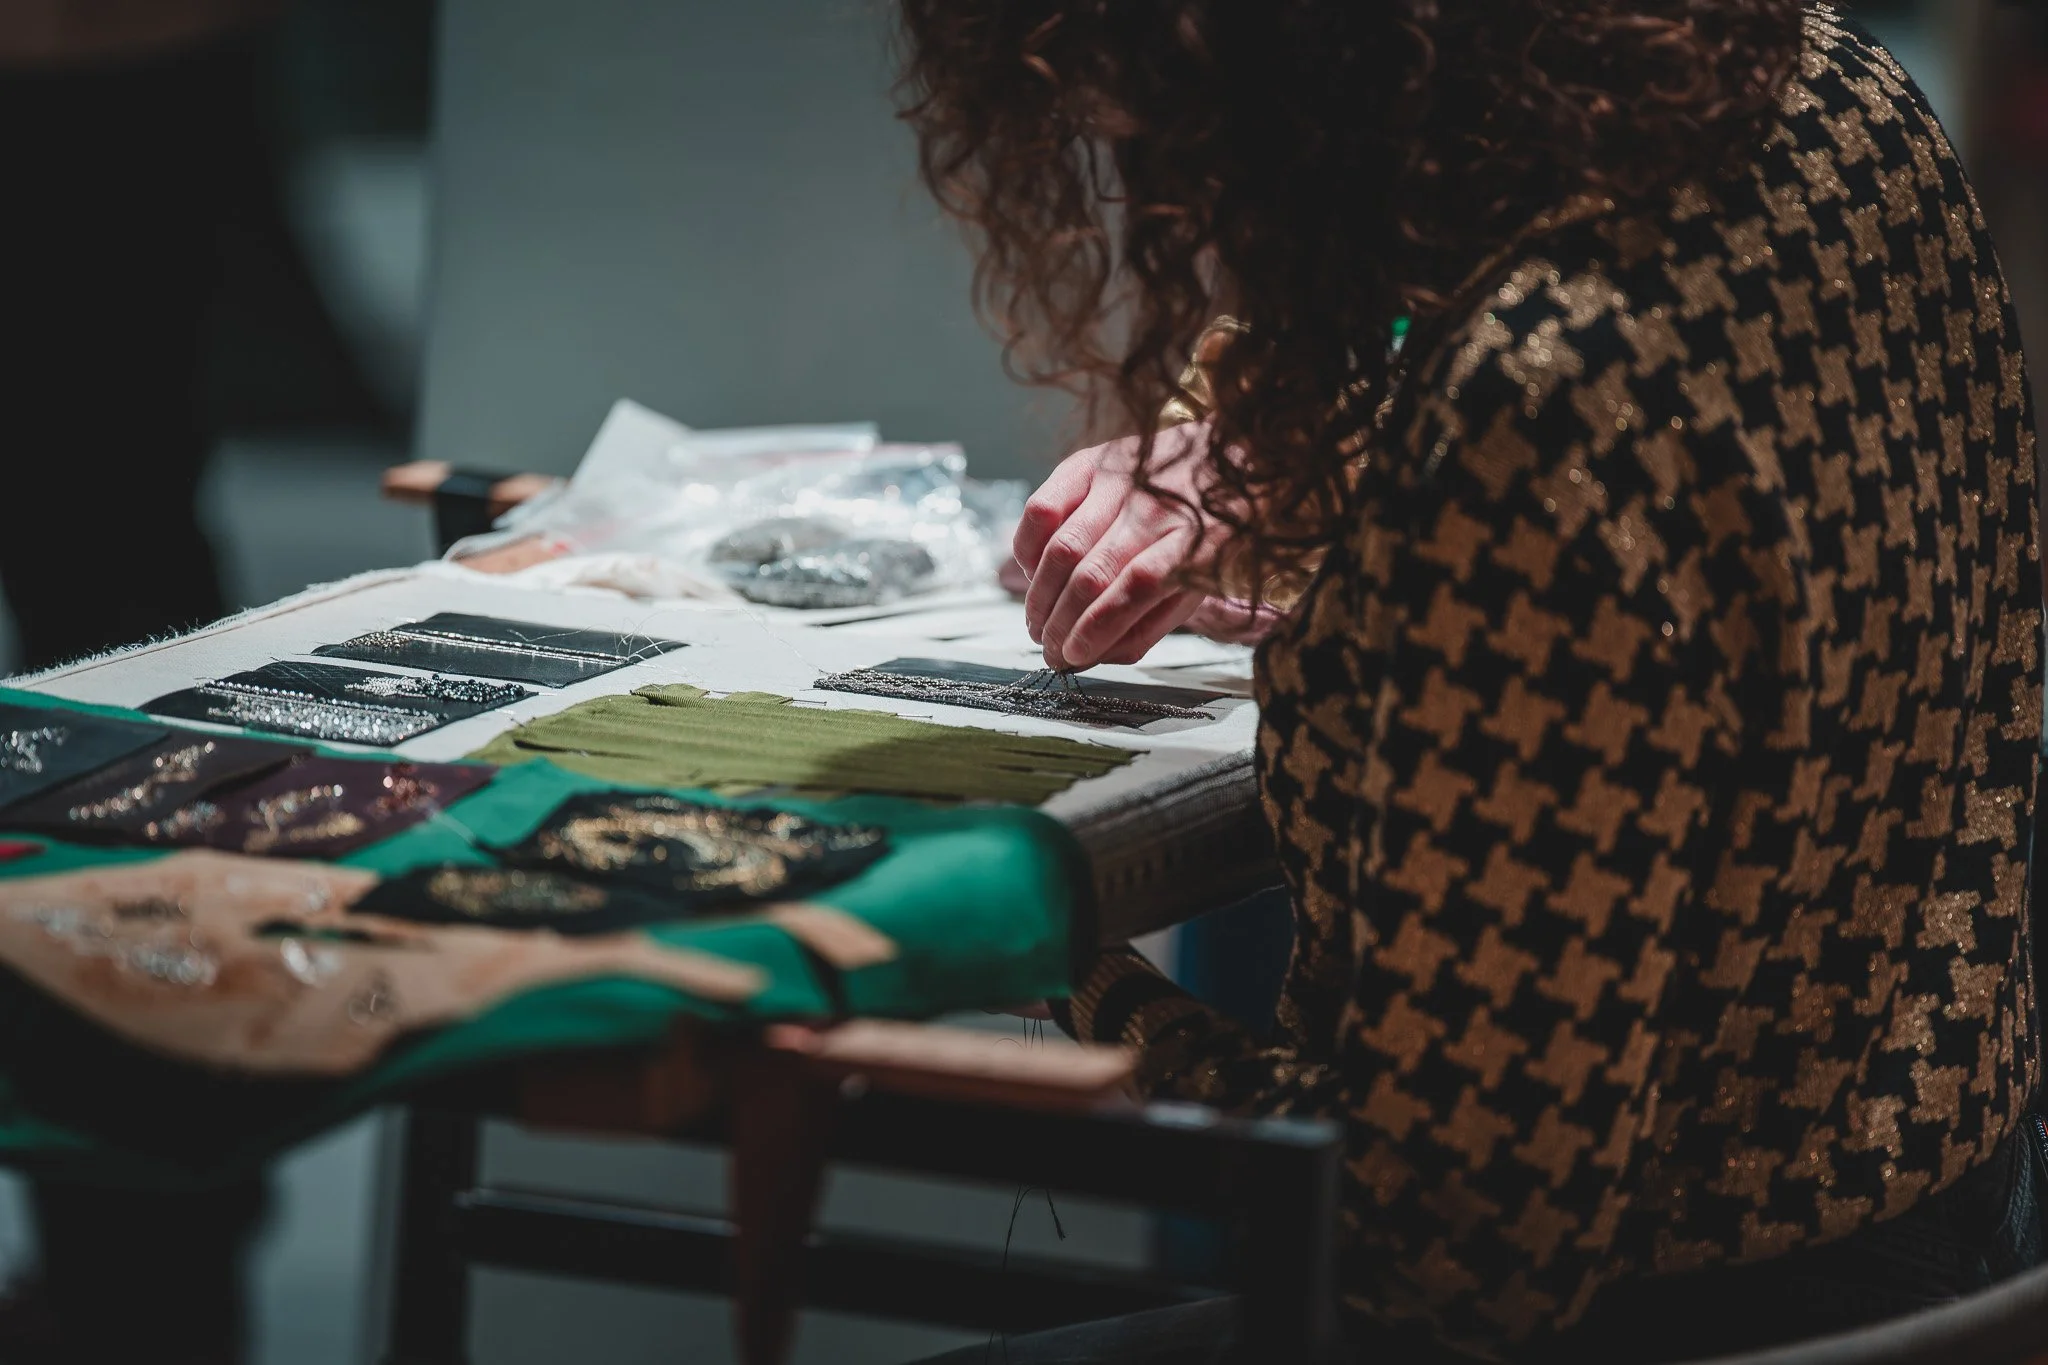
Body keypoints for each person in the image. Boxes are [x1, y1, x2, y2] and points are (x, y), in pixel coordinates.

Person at [896, 2, 2043, 1361]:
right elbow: (1669, 455)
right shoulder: (1826, 81)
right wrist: (1268, 450)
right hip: (1949, 1203)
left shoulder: (1526, 418)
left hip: (1668, 1302)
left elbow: (1441, 1249)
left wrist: (1069, 960)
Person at [0, 5, 282, 1362]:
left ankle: (145, 1279)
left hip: (105, 72)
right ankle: (146, 1277)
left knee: (115, 682)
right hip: (119, 69)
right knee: (115, 647)